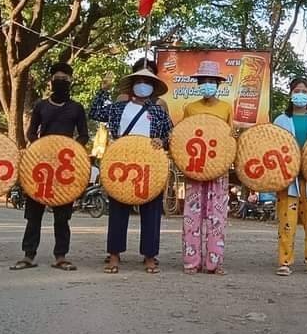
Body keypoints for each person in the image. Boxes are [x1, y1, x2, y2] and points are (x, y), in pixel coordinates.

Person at [90, 66, 173, 274]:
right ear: (132, 85)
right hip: (122, 165)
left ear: (152, 87)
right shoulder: (118, 108)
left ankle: (150, 256)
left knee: (151, 212)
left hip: (150, 166)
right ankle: (114, 255)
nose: (142, 86)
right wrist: (103, 90)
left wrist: (160, 141)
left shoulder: (158, 111)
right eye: (139, 81)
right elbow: (94, 112)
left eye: (147, 82)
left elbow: (171, 137)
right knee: (118, 211)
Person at [11, 62, 89, 272]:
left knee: (62, 216)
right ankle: (28, 255)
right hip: (40, 166)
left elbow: (83, 135)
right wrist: (38, 145)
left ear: (71, 82)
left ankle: (61, 256)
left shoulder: (77, 108)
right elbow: (30, 133)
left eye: (65, 79)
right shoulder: (40, 106)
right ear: (51, 81)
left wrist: (72, 148)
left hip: (65, 168)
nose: (61, 82)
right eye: (58, 78)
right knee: (33, 214)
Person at [180, 60, 232, 275]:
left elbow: (230, 139)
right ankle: (191, 262)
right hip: (195, 167)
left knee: (217, 217)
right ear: (198, 84)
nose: (207, 84)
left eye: (211, 81)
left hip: (219, 168)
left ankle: (214, 262)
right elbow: (182, 138)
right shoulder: (190, 108)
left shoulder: (226, 108)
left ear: (218, 84)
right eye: (204, 81)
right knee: (192, 217)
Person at [272, 77, 307, 277]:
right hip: (288, 179)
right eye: (297, 90)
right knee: (287, 222)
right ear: (291, 93)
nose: (300, 94)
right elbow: (273, 147)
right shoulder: (280, 120)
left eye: (304, 91)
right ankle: (285, 261)